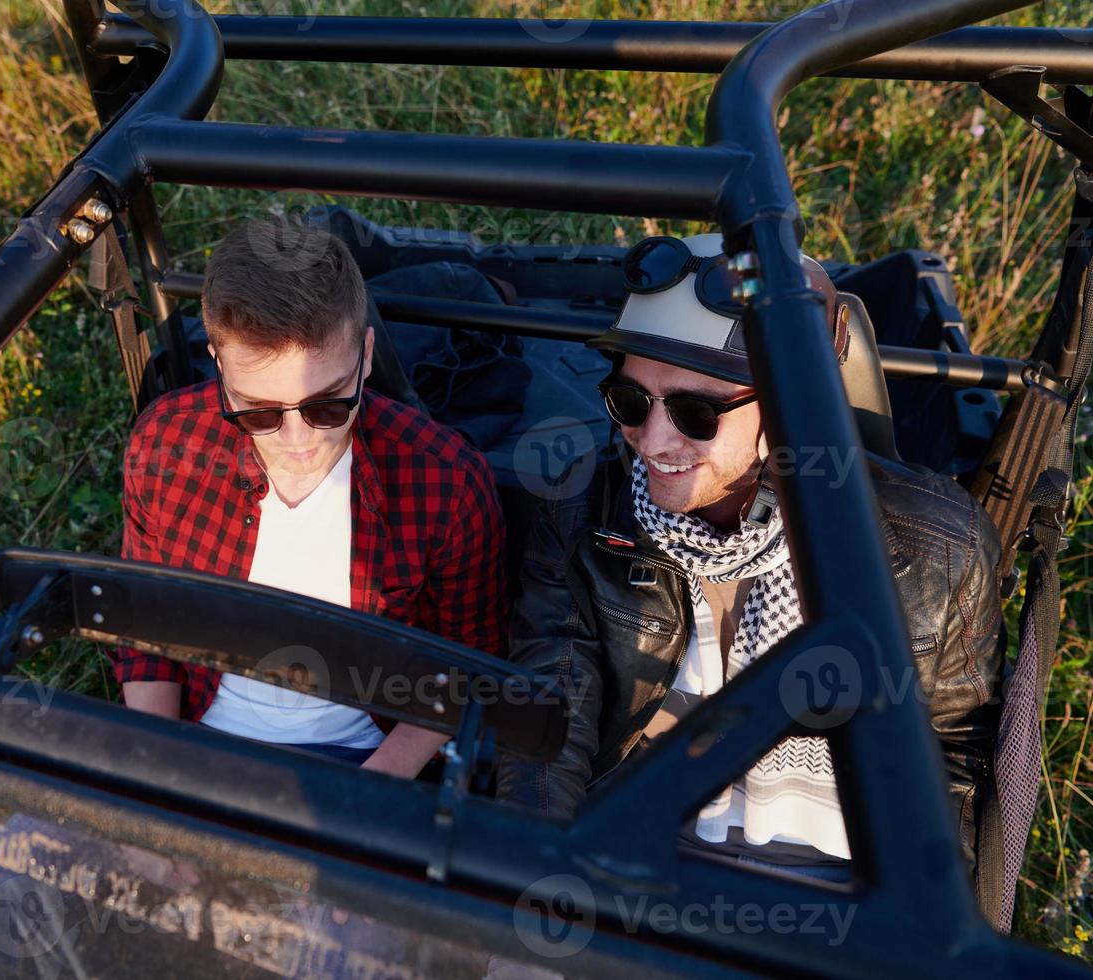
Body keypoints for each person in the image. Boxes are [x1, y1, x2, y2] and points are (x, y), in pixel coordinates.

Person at [498, 233, 1003, 884]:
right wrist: (533, 877)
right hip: (635, 860)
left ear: (795, 402)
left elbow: (953, 756)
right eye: (630, 401)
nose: (652, 440)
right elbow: (549, 723)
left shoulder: (942, 547)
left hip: (844, 890)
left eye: (695, 413)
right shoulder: (580, 512)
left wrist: (921, 919)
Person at [110, 217, 507, 778]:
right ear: (219, 366)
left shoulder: (444, 480)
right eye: (259, 411)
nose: (299, 441)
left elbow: (472, 668)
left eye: (327, 405)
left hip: (360, 764)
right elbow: (145, 626)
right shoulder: (166, 444)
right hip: (190, 744)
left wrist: (368, 798)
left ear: (366, 355)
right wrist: (153, 773)